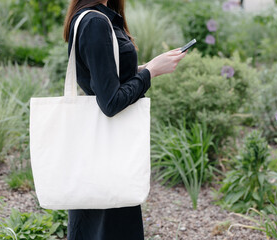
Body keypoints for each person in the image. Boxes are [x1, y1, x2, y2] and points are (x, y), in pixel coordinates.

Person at [62, 0, 187, 239]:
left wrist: (146, 67)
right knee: (110, 224)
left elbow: (106, 77)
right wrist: (152, 72)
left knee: (96, 223)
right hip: (108, 149)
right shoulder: (96, 22)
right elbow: (110, 102)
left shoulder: (93, 17)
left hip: (100, 149)